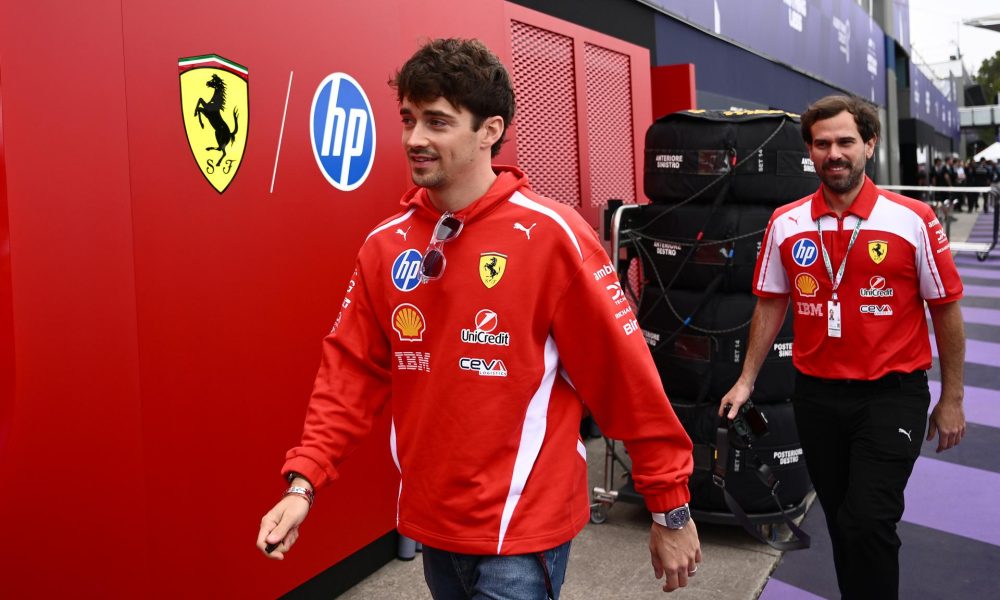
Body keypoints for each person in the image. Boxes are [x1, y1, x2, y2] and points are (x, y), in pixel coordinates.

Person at [255, 38, 701, 598]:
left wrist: (670, 507)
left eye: (437, 123)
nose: (415, 139)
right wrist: (304, 484)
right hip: (433, 524)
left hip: (522, 532)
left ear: (490, 130)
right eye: (409, 119)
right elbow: (349, 376)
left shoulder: (553, 236)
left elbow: (624, 378)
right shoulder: (384, 246)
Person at [719, 95, 966, 600]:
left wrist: (953, 397)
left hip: (891, 396)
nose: (834, 153)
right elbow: (770, 304)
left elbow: (945, 308)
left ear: (869, 145)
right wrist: (745, 380)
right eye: (822, 143)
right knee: (841, 520)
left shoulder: (912, 219)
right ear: (810, 151)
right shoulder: (786, 223)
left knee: (868, 519)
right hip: (815, 396)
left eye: (845, 141)